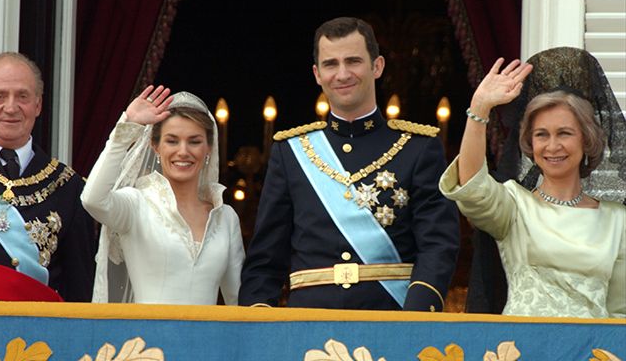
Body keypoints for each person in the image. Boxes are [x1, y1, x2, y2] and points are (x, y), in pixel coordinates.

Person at [239, 17, 460, 311]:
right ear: (317, 74)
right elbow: (266, 258)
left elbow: (438, 245)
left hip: (392, 319)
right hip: (308, 326)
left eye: (353, 61)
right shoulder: (290, 152)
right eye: (331, 64)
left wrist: (415, 321)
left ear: (377, 66)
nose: (342, 74)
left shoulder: (418, 147)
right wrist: (260, 324)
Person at [439, 57, 626, 318]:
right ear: (530, 143)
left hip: (591, 354)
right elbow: (472, 187)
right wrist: (479, 108)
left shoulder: (618, 220)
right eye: (541, 135)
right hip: (521, 348)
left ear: (587, 140)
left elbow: (620, 313)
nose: (552, 146)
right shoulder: (515, 206)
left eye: (564, 133)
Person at [81, 86, 245, 305]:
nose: (183, 151)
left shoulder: (225, 217)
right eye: (172, 140)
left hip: (209, 339)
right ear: (155, 146)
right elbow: (92, 199)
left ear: (209, 148)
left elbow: (238, 298)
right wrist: (126, 128)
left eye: (194, 141)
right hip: (149, 337)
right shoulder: (136, 205)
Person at [0, 52, 96, 302]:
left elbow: (79, 289)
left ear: (38, 105)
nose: (11, 107)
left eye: (23, 96)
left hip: (35, 336)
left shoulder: (68, 186)